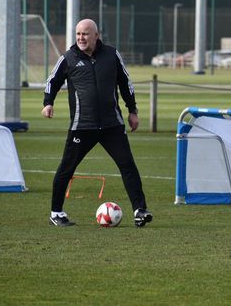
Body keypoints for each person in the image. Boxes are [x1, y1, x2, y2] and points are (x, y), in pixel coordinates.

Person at [42, 18, 153, 227]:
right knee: (66, 169)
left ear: (96, 35)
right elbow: (52, 81)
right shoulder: (68, 58)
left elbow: (125, 82)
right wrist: (48, 103)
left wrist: (133, 111)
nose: (81, 38)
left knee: (127, 165)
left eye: (85, 34)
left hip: (112, 125)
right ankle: (56, 213)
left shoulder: (112, 54)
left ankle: (140, 210)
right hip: (82, 126)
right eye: (78, 34)